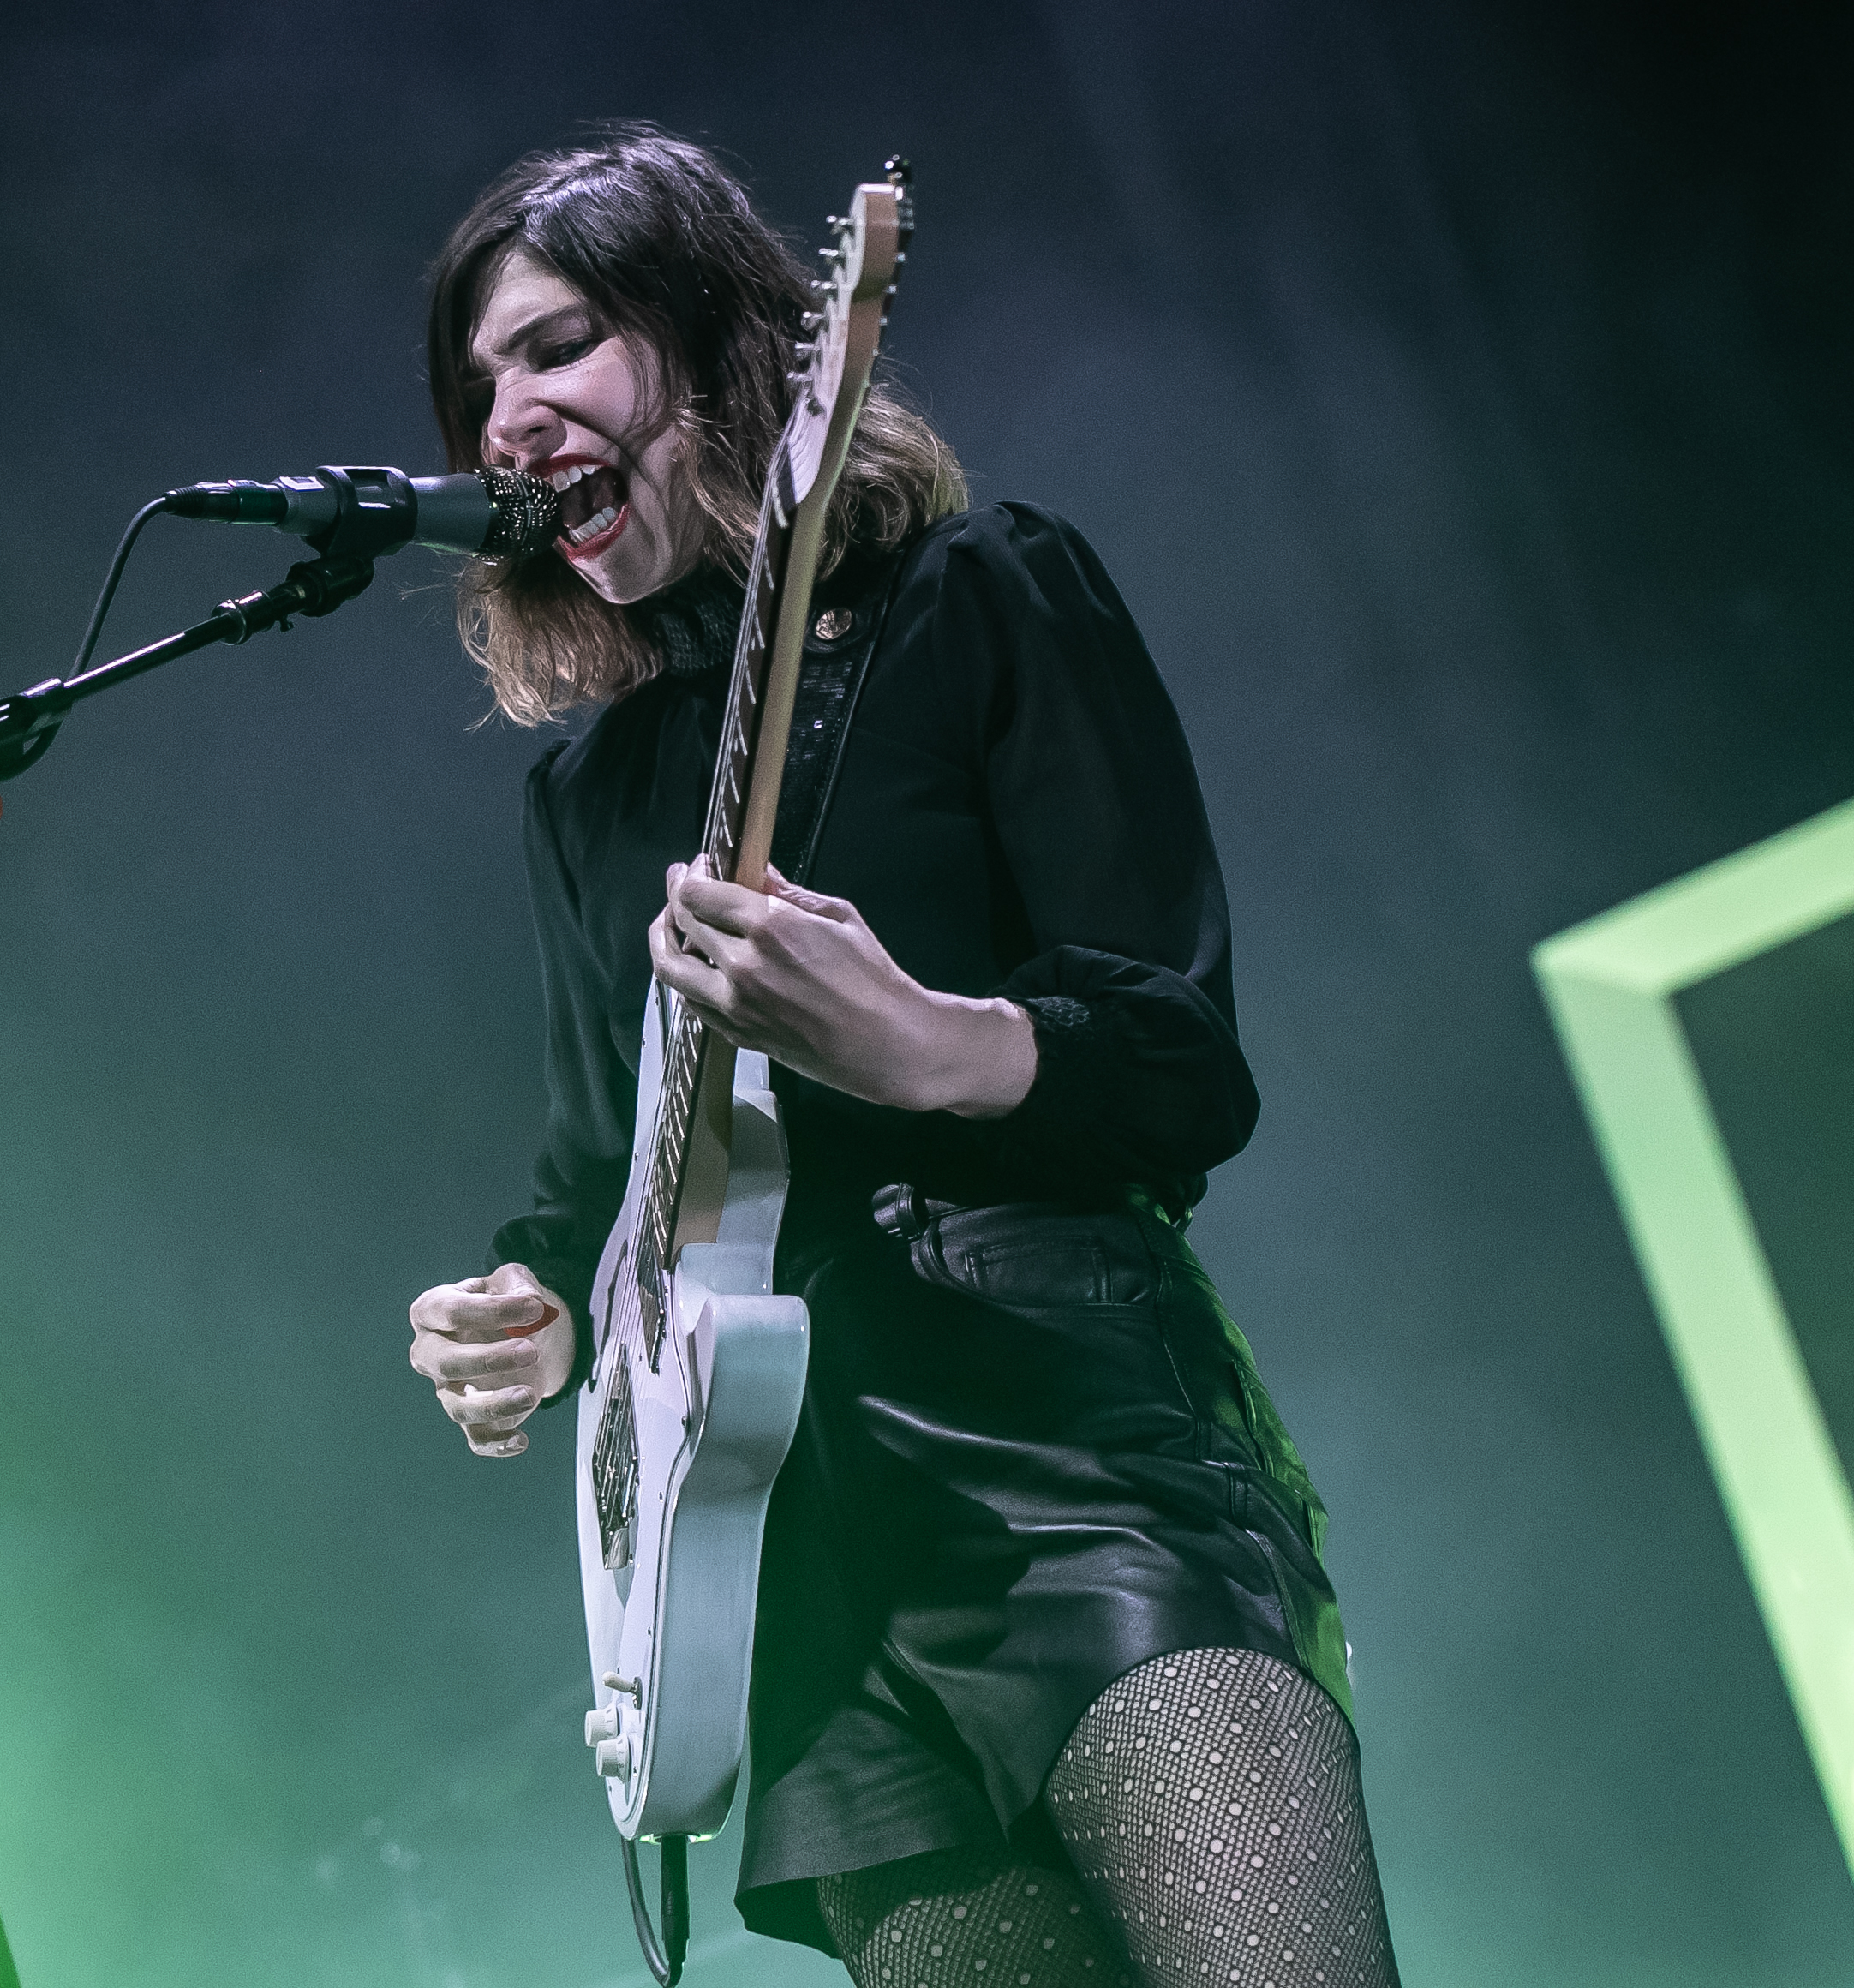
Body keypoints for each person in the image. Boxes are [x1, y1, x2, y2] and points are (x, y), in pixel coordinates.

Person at [403, 128, 1406, 1988]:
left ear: (716, 341)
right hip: (802, 1580)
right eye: (481, 392)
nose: (509, 422)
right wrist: (531, 1312)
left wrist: (931, 1042)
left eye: (557, 347)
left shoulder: (987, 594)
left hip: (1076, 1460)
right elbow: (597, 1177)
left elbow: (1185, 1065)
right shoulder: (587, 797)